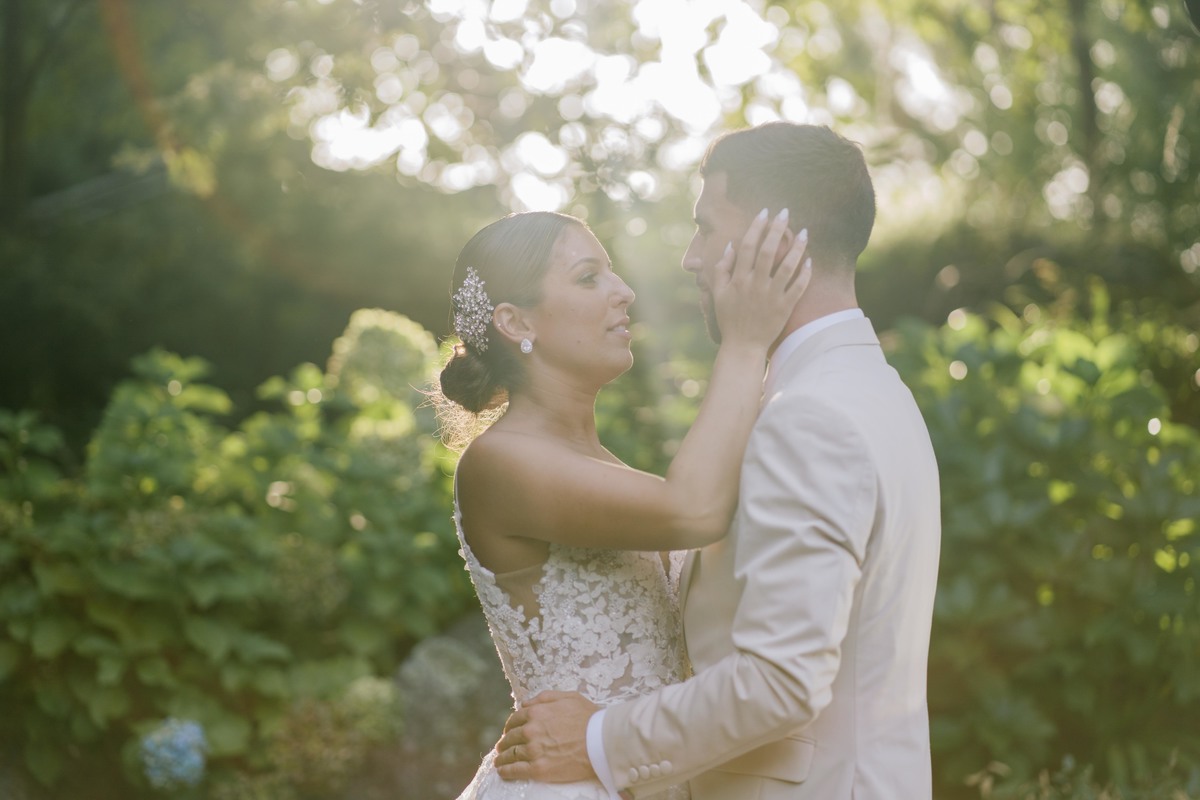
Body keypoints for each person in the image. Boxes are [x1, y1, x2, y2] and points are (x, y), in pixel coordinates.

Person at [493, 123, 942, 800]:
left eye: (706, 227)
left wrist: (597, 739)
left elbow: (781, 681)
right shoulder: (872, 390)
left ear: (774, 240)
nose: (690, 259)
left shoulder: (809, 417)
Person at [437, 207, 812, 800]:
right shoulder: (497, 463)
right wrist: (746, 341)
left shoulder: (607, 469)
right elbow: (694, 510)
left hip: (641, 774)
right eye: (590, 277)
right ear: (513, 320)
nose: (625, 292)